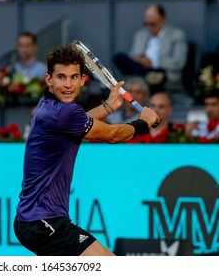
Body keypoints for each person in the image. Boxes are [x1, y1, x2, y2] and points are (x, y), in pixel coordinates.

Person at [14, 44, 158, 256]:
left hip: (32, 220)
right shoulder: (65, 112)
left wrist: (109, 106)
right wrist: (144, 122)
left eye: (74, 77)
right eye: (61, 77)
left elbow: (78, 122)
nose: (68, 85)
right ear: (49, 79)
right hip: (43, 222)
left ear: (83, 80)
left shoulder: (48, 104)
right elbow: (112, 135)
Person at [113, 3, 188, 92]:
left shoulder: (177, 35)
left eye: (153, 24)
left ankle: (147, 74)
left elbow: (178, 63)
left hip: (161, 71)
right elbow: (132, 56)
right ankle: (146, 74)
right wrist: (139, 58)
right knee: (119, 57)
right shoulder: (140, 34)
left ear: (163, 20)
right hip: (140, 68)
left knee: (159, 74)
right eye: (146, 24)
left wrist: (153, 63)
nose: (149, 27)